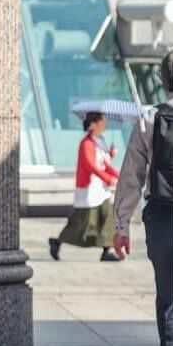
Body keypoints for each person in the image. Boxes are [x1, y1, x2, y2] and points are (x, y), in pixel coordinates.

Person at [113, 50, 173, 346]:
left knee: (169, 297)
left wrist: (121, 225)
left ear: (163, 80)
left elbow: (131, 177)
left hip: (162, 217)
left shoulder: (148, 119)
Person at [49, 112, 120, 263]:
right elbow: (90, 165)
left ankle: (107, 250)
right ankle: (58, 241)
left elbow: (104, 163)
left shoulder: (100, 141)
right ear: (93, 124)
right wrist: (108, 178)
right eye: (102, 121)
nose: (105, 124)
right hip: (90, 188)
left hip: (102, 189)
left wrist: (115, 169)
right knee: (82, 221)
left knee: (107, 216)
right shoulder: (86, 143)